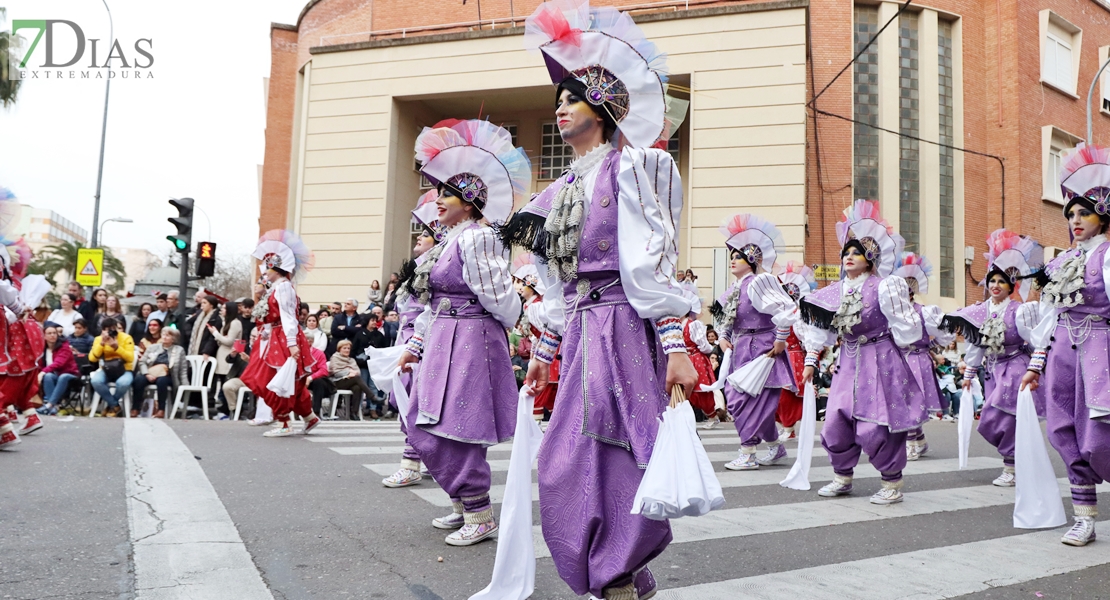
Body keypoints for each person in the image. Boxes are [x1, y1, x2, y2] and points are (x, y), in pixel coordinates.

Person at [503, 5, 696, 595]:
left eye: (571, 98)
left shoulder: (638, 167)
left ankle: (618, 571)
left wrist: (675, 344)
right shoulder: (556, 193)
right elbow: (557, 283)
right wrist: (543, 346)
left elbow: (654, 260)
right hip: (583, 330)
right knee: (562, 462)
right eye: (557, 99)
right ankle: (618, 571)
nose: (559, 107)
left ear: (604, 106)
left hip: (624, 327)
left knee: (616, 449)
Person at [397, 118, 526, 547]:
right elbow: (432, 307)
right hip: (443, 340)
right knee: (423, 422)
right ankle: (461, 501)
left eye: (445, 194)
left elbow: (503, 300)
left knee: (461, 425)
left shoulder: (477, 239)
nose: (436, 201)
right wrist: (415, 345)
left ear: (468, 202)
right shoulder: (448, 241)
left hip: (471, 341)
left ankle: (478, 510)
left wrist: (488, 331)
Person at [798, 200, 922, 505]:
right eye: (846, 252)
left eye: (857, 252)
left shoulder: (885, 287)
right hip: (848, 359)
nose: (849, 257)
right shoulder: (835, 291)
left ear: (871, 257)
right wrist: (811, 360)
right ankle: (842, 476)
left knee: (875, 424)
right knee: (835, 421)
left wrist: (899, 344)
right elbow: (820, 329)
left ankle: (891, 481)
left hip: (880, 359)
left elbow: (907, 329)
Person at [1020, 143, 1110, 546]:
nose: (1075, 220)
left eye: (1083, 213)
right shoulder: (1056, 264)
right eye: (1070, 214)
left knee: (1099, 434)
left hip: (1100, 350)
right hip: (1061, 354)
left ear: (1102, 215)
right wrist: (1035, 365)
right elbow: (1048, 317)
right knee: (1064, 431)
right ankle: (1085, 518)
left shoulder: (1108, 256)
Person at [944, 229, 1044, 480]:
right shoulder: (980, 311)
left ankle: (1011, 466)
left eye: (1001, 281)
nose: (995, 286)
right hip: (992, 371)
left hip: (1015, 367)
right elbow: (976, 344)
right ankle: (1015, 461)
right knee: (993, 418)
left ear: (1011, 286)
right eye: (992, 281)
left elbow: (1035, 342)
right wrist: (969, 373)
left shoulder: (1019, 311)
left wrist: (1037, 367)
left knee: (998, 416)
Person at [712, 214, 799, 471]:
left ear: (752, 259)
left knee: (744, 401)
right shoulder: (733, 288)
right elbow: (724, 317)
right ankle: (775, 446)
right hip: (741, 349)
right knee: (746, 399)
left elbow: (786, 307)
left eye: (738, 256)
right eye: (731, 257)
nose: (733, 260)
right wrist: (724, 337)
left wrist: (781, 340)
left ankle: (748, 452)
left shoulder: (760, 281)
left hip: (763, 348)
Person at [240, 229, 323, 437]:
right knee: (285, 379)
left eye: (268, 265)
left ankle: (284, 422)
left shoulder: (283, 287)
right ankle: (308, 417)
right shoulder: (276, 286)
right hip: (274, 336)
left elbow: (287, 316)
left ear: (277, 267)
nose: (264, 270)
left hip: (282, 338)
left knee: (272, 379)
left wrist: (292, 343)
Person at [381, 194, 440, 489]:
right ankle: (427, 458)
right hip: (408, 341)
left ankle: (411, 463)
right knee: (409, 399)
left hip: (423, 343)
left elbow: (430, 311)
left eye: (427, 235)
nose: (419, 238)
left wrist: (415, 346)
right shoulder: (416, 270)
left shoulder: (435, 267)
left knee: (414, 401)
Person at [893, 253, 956, 461]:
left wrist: (931, 346)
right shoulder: (891, 313)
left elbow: (947, 332)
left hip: (917, 360)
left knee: (913, 401)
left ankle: (912, 442)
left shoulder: (924, 312)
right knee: (901, 402)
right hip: (897, 359)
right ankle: (918, 440)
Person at [774, 262, 819, 441]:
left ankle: (789, 427)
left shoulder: (798, 314)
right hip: (780, 357)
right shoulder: (779, 312)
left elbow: (806, 338)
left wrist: (810, 357)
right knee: (778, 395)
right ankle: (786, 426)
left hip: (793, 357)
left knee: (787, 396)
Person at [512, 254, 559, 422]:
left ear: (531, 285)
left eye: (521, 283)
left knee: (544, 388)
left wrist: (537, 344)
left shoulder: (536, 305)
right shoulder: (529, 305)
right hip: (541, 347)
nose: (518, 287)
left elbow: (544, 330)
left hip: (546, 347)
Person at [88, 317, 136, 417]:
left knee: (123, 383)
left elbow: (130, 358)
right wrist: (101, 344)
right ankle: (114, 405)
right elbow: (92, 358)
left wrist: (117, 348)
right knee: (96, 381)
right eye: (106, 329)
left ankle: (111, 406)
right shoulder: (98, 339)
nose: (109, 332)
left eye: (112, 329)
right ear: (103, 330)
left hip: (124, 368)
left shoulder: (126, 338)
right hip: (107, 369)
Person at [134, 328, 186, 418]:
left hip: (168, 375)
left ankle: (161, 410)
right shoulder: (152, 347)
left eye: (168, 335)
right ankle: (135, 408)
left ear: (174, 338)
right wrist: (147, 374)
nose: (164, 337)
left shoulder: (179, 350)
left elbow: (183, 369)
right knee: (139, 380)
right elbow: (142, 362)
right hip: (151, 373)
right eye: (163, 335)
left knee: (162, 381)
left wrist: (185, 385)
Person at [37, 323, 80, 416]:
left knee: (62, 376)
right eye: (49, 333)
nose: (52, 335)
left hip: (70, 374)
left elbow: (59, 363)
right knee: (48, 376)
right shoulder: (42, 348)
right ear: (44, 336)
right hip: (54, 375)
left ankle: (49, 405)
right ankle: (54, 406)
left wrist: (42, 372)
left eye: (54, 333)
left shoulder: (64, 347)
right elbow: (39, 365)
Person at [328, 340, 377, 420]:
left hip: (350, 381)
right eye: (344, 348)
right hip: (337, 382)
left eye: (348, 348)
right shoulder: (335, 358)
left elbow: (358, 372)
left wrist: (352, 374)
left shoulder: (352, 360)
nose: (347, 350)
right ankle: (371, 396)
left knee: (357, 387)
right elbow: (336, 372)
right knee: (356, 379)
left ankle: (354, 413)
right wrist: (349, 372)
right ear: (339, 349)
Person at [210, 301, 243, 416]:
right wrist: (219, 336)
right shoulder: (227, 322)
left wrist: (215, 333)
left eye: (224, 308)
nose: (221, 310)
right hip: (222, 354)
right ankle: (224, 409)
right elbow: (222, 340)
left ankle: (226, 409)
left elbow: (229, 341)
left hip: (229, 355)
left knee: (226, 380)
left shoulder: (235, 323)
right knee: (222, 379)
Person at [221, 346, 251, 420]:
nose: (253, 338)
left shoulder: (263, 348)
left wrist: (249, 360)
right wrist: (232, 355)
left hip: (256, 378)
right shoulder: (244, 347)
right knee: (227, 386)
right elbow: (228, 360)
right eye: (251, 336)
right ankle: (235, 410)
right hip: (240, 378)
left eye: (255, 336)